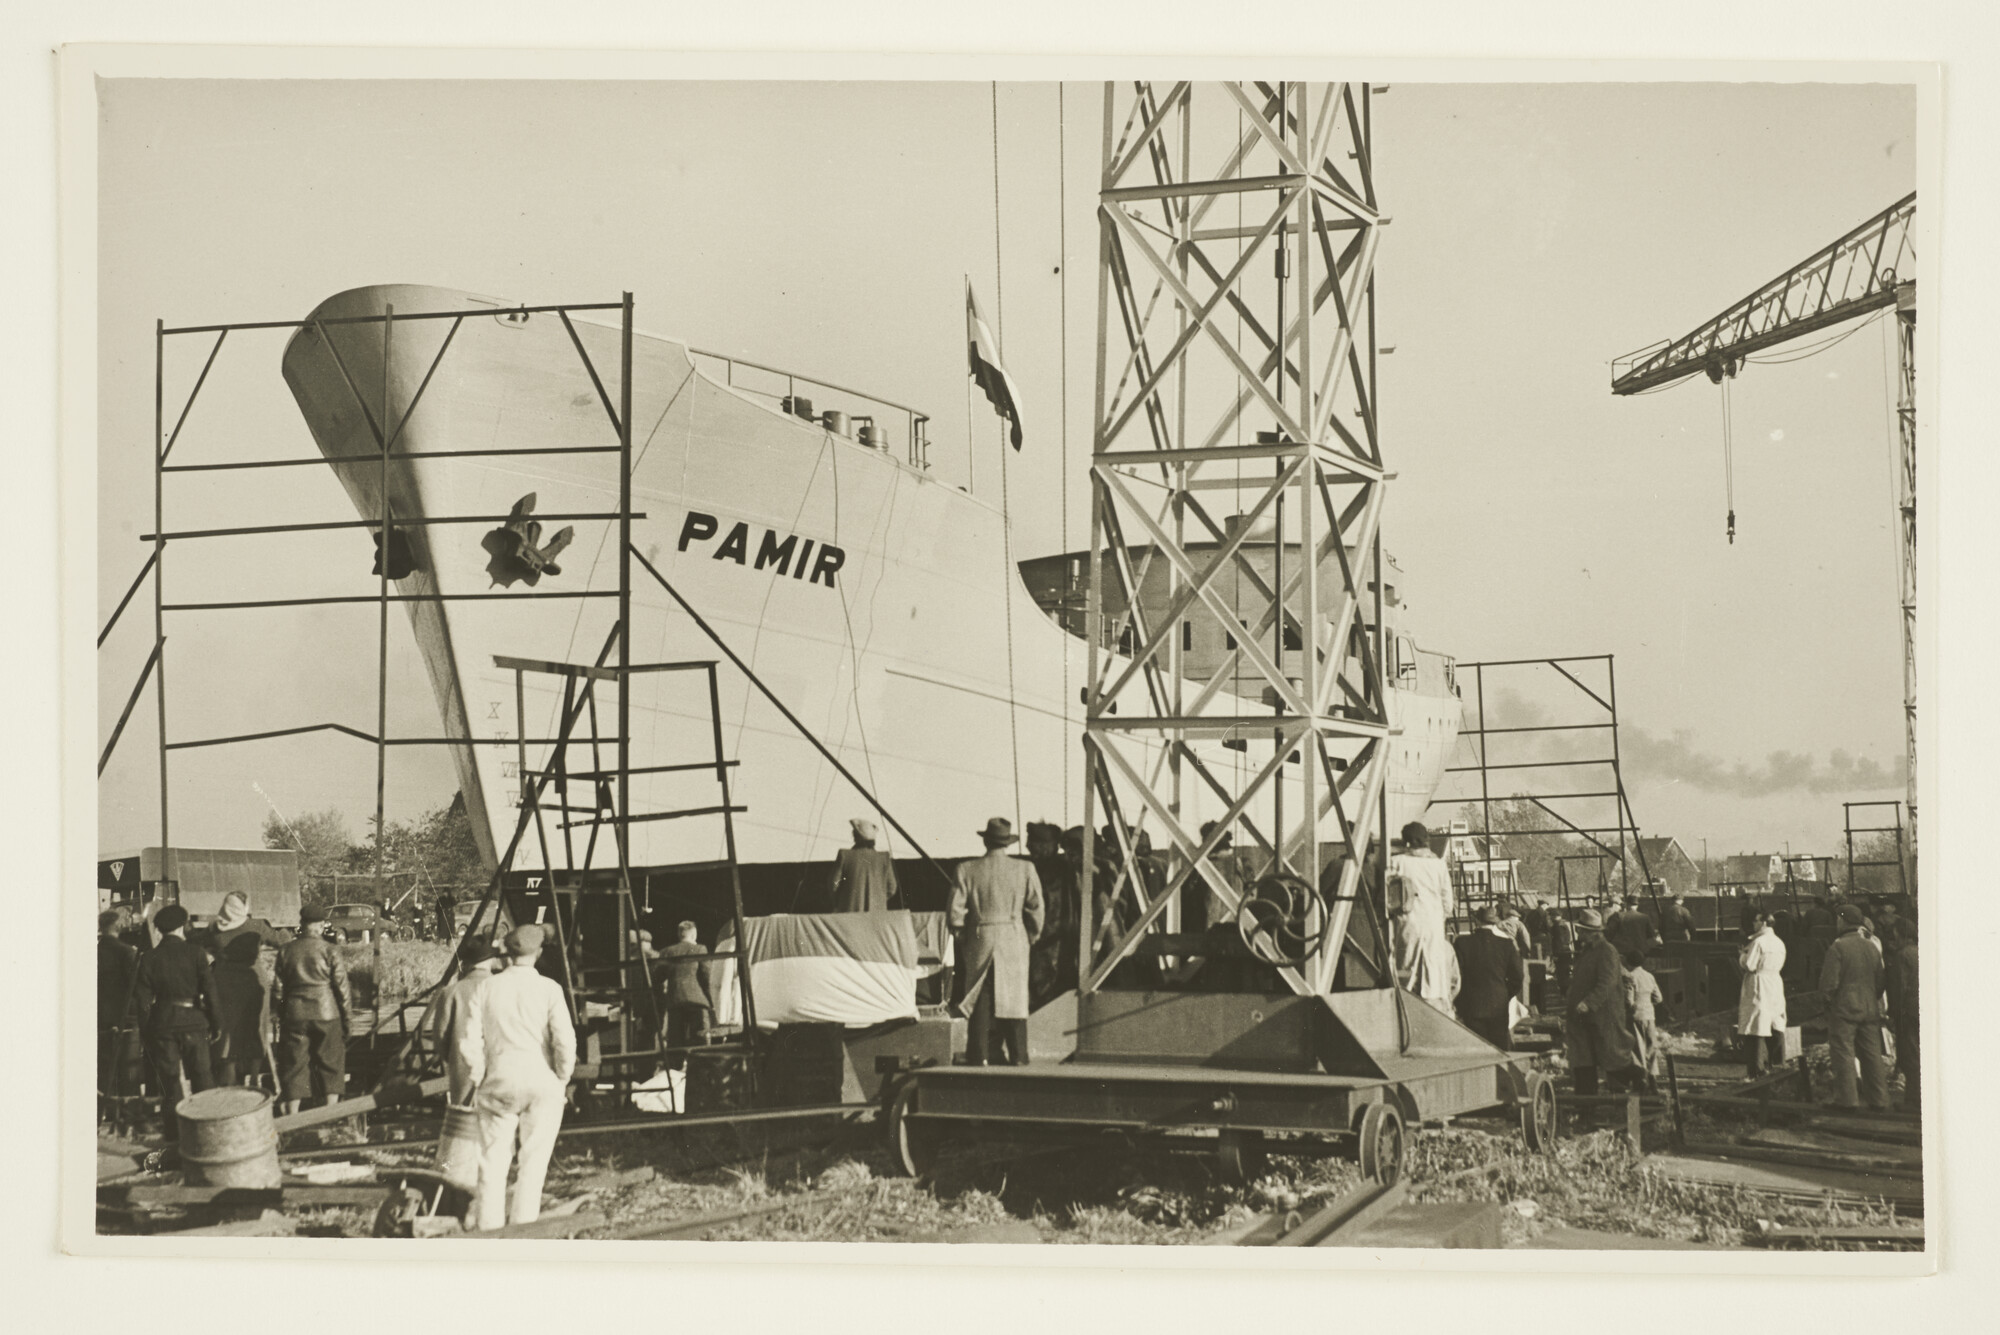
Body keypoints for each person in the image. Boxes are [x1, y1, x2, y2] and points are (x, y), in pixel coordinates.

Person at [461, 924, 576, 1231]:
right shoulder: (550, 989)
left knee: (492, 1163)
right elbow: (565, 1041)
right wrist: (561, 1079)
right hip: (542, 1082)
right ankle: (524, 1230)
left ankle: (489, 1230)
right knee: (534, 1164)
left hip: (498, 1082)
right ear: (537, 953)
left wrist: (479, 1078)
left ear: (507, 954)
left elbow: (469, 1042)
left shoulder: (485, 988)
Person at [950, 817, 1046, 1066]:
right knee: (1014, 997)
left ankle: (978, 1055)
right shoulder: (1025, 869)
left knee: (980, 996)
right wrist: (1032, 935)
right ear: (1008, 843)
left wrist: (963, 938)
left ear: (985, 840)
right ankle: (1018, 1056)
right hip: (1013, 937)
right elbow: (1037, 908)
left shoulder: (966, 869)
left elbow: (955, 912)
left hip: (981, 936)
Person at [132, 904, 221, 1141]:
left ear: (160, 930)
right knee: (202, 1076)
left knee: (169, 1080)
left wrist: (147, 1031)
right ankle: (208, 1129)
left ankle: (174, 1134)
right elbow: (210, 992)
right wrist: (217, 1023)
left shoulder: (149, 958)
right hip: (194, 1022)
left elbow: (142, 1002)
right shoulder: (196, 953)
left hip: (163, 1024)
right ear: (183, 926)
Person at [273, 903, 350, 1115]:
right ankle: (331, 1113)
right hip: (327, 1013)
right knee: (331, 1062)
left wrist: (281, 1016)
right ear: (321, 925)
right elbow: (342, 990)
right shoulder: (330, 950)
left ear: (302, 924)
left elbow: (278, 990)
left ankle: (293, 1114)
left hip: (295, 1014)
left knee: (294, 1065)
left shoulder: (286, 950)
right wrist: (347, 1021)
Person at [1820, 903, 1890, 1110]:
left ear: (1842, 920)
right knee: (1872, 1055)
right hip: (1869, 1009)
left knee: (1844, 1053)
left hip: (1845, 1009)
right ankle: (1880, 1100)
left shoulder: (1838, 947)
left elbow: (1828, 984)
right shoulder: (1871, 946)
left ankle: (1847, 1100)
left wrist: (1829, 1003)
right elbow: (1880, 981)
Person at [1564, 908, 1636, 1097]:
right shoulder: (1587, 952)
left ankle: (1642, 1082)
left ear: (1591, 933)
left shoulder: (1606, 951)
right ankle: (1586, 1107)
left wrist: (1589, 1003)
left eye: (1581, 931)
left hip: (1603, 1017)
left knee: (1614, 1060)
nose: (1578, 934)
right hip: (1584, 1018)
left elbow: (1608, 982)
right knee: (1583, 1063)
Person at [1387, 822, 1456, 1014]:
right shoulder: (1438, 864)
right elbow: (1448, 902)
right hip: (1433, 925)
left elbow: (1386, 897)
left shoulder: (1397, 862)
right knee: (1433, 975)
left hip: (1407, 923)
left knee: (1405, 969)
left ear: (1406, 841)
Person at [425, 939, 503, 1105]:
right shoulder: (504, 989)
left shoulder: (451, 992)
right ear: (491, 961)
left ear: (466, 963)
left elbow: (440, 1037)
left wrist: (454, 1058)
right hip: (501, 1067)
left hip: (463, 1068)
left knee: (463, 1121)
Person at [1452, 906, 1524, 1050]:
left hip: (1472, 1005)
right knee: (1500, 1051)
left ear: (1476, 921)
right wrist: (1504, 994)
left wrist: (1460, 1004)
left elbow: (1456, 978)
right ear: (1495, 922)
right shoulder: (1507, 945)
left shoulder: (1462, 943)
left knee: (1476, 1052)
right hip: (1498, 1006)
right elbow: (1518, 978)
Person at [209, 933, 273, 1087]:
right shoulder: (257, 970)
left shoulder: (221, 970)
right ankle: (253, 1079)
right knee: (256, 1039)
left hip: (229, 1032)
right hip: (253, 1027)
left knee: (229, 1048)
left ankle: (231, 1083)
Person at [1736, 909, 1789, 1077]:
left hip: (1759, 983)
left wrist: (1742, 955)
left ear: (1764, 923)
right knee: (1776, 1024)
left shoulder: (1758, 943)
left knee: (1756, 1026)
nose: (1754, 924)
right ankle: (1778, 1066)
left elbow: (1750, 965)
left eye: (1757, 921)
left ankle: (1756, 1071)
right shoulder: (1779, 942)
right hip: (1774, 982)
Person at [97, 908, 140, 1113]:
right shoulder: (126, 952)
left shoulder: (93, 951)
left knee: (104, 1069)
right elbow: (136, 986)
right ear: (118, 926)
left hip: (99, 1019)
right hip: (124, 1019)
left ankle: (105, 1112)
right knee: (128, 1070)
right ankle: (128, 1116)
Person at [658, 921, 712, 1068]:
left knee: (675, 1042)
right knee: (700, 1040)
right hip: (697, 1001)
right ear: (694, 934)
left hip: (675, 1001)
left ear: (679, 934)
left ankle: (675, 1071)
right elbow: (706, 976)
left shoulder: (667, 952)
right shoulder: (700, 949)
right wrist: (711, 1002)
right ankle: (701, 1071)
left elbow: (656, 978)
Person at [829, 817, 900, 912]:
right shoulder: (884, 858)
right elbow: (892, 888)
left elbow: (834, 885)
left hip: (849, 915)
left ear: (855, 836)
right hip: (876, 916)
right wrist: (878, 901)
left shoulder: (844, 855)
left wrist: (841, 903)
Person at [1885, 921, 1920, 1111]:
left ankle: (1914, 1100)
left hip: (1907, 1011)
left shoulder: (1902, 955)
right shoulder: (1921, 951)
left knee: (1909, 1054)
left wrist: (1893, 1014)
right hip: (1921, 1010)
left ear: (1900, 935)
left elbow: (1898, 988)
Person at [1622, 950, 1663, 1084]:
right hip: (1650, 1015)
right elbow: (1658, 998)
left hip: (1635, 1016)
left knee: (1638, 1048)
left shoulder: (1630, 976)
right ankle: (1653, 1077)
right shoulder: (1649, 976)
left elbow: (1629, 1000)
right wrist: (1648, 1005)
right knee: (1651, 1045)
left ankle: (1641, 1078)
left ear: (1628, 962)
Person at [1604, 893, 1659, 959]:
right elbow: (1652, 937)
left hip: (1623, 952)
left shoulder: (1618, 916)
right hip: (1640, 953)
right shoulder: (1645, 917)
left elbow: (1608, 933)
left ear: (1627, 905)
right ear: (1637, 905)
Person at [1549, 910, 1578, 991]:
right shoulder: (1564, 925)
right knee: (1565, 972)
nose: (1550, 918)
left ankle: (1564, 992)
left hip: (1561, 952)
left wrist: (1556, 955)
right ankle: (1565, 991)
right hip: (1566, 951)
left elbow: (1558, 941)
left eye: (1551, 916)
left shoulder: (1557, 927)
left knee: (1561, 974)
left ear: (1555, 917)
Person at [1498, 902, 1534, 966]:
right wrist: (1528, 950)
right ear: (1514, 917)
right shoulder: (1519, 923)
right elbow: (1525, 936)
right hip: (1513, 945)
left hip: (1501, 946)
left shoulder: (1500, 923)